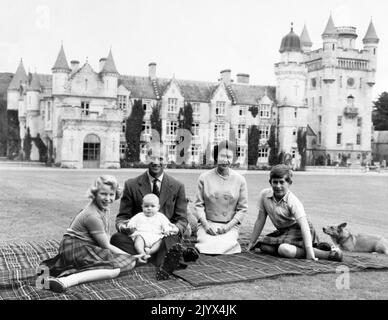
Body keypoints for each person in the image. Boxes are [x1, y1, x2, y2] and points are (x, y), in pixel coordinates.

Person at [37, 175, 147, 293]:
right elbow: (106, 246)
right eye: (103, 194)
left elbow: (106, 238)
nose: (108, 198)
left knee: (128, 263)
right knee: (115, 270)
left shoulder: (104, 209)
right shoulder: (92, 215)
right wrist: (131, 256)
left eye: (111, 194)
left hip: (85, 246)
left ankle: (70, 273)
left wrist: (128, 258)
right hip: (75, 247)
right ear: (95, 193)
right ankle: (66, 281)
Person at [110, 145, 197, 280]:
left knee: (172, 239)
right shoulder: (131, 184)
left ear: (167, 161)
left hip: (164, 237)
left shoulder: (177, 186)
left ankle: (158, 259)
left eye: (161, 158)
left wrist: (176, 228)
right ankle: (166, 258)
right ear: (146, 159)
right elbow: (122, 218)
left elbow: (182, 219)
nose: (156, 162)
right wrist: (124, 227)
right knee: (116, 239)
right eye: (152, 158)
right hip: (139, 238)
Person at [247, 164, 342, 261]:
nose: (278, 186)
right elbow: (260, 220)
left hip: (300, 230)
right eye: (275, 182)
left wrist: (309, 252)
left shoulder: (293, 201)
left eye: (282, 182)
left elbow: (304, 226)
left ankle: (328, 254)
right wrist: (251, 242)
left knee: (284, 249)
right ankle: (315, 248)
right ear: (270, 182)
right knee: (263, 246)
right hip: (283, 232)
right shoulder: (264, 195)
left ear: (289, 183)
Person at [194, 140, 248, 254]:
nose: (225, 160)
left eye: (229, 156)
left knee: (225, 246)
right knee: (207, 246)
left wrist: (228, 226)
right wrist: (206, 225)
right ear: (216, 157)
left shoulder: (240, 180)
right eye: (222, 156)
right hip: (208, 223)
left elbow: (242, 209)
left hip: (229, 225)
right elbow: (198, 205)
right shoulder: (204, 178)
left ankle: (229, 243)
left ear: (233, 159)